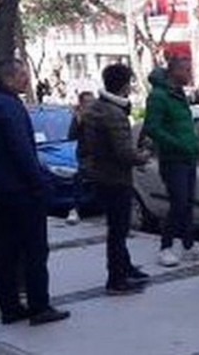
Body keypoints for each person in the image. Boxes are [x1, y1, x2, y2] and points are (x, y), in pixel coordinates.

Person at [0, 59, 70, 326]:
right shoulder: (9, 107)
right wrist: (39, 183)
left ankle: (10, 307)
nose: (27, 80)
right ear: (10, 78)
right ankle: (39, 306)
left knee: (4, 252)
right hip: (19, 192)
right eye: (23, 75)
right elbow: (21, 151)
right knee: (34, 250)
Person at [81, 64, 151, 295]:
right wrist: (142, 158)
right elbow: (123, 152)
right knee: (118, 230)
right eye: (129, 82)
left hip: (100, 174)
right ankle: (116, 279)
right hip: (115, 177)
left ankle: (125, 267)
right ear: (123, 85)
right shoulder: (114, 114)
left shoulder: (94, 108)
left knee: (116, 228)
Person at [144, 56, 199, 267]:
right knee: (179, 203)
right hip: (173, 159)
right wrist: (178, 144)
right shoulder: (159, 96)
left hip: (188, 157)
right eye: (185, 70)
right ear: (174, 71)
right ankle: (166, 247)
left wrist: (193, 143)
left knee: (188, 202)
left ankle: (189, 245)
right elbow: (152, 128)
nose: (189, 73)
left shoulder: (179, 94)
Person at [65, 91, 95, 225]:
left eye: (92, 101)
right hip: (86, 156)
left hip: (100, 155)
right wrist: (78, 119)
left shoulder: (98, 116)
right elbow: (71, 135)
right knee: (80, 177)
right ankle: (75, 209)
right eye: (88, 102)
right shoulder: (79, 118)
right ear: (81, 104)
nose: (91, 104)